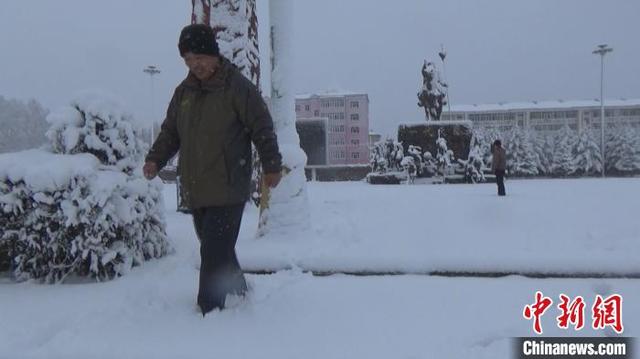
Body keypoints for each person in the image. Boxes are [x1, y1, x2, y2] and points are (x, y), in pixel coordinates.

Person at [142, 24, 282, 316]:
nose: (196, 66)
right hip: (197, 188)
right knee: (217, 248)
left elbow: (261, 126)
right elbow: (171, 132)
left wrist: (271, 163)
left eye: (200, 58)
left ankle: (209, 311)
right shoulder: (184, 93)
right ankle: (239, 290)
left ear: (213, 54)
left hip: (228, 186)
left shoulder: (237, 87)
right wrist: (156, 159)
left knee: (212, 253)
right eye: (188, 61)